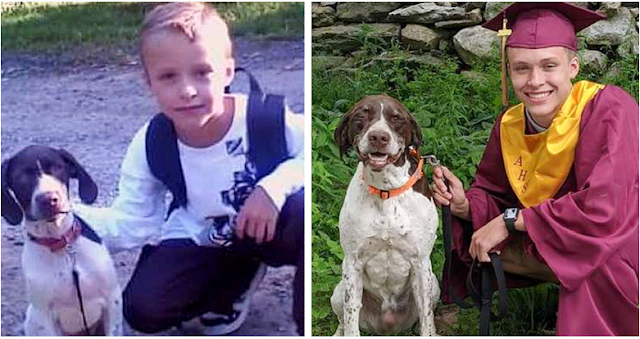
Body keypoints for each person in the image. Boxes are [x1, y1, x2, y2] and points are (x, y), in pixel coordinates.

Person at [75, 2, 304, 335]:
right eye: (168, 76)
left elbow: (319, 151)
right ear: (149, 81)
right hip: (207, 238)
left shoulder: (264, 119)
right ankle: (233, 284)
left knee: (305, 211)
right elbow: (132, 223)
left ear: (227, 71)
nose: (187, 90)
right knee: (143, 310)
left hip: (273, 227)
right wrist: (68, 218)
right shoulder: (153, 141)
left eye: (202, 72)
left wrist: (272, 188)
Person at [431, 2, 638, 336]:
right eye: (521, 68)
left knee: (603, 254)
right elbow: (495, 191)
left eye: (549, 66)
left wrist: (513, 220)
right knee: (479, 231)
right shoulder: (509, 124)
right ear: (509, 72)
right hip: (555, 237)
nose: (535, 81)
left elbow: (607, 207)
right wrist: (465, 205)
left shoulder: (609, 108)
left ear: (573, 66)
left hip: (622, 236)